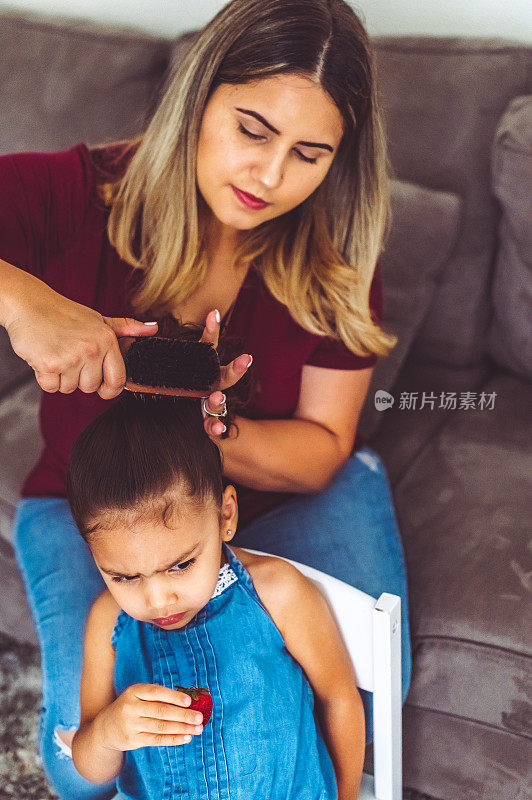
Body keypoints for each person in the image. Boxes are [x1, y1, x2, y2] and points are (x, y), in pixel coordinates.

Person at [0, 0, 411, 796]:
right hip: (98, 505)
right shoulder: (78, 194)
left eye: (309, 153)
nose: (269, 176)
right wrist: (23, 303)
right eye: (253, 130)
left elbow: (322, 442)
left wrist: (217, 435)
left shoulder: (336, 257)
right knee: (80, 769)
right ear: (199, 96)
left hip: (271, 493)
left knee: (362, 695)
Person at [65, 386, 365, 800]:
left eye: (181, 565)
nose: (156, 600)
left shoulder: (276, 593)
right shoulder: (107, 622)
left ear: (225, 515)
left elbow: (339, 699)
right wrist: (108, 732)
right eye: (124, 577)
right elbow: (90, 765)